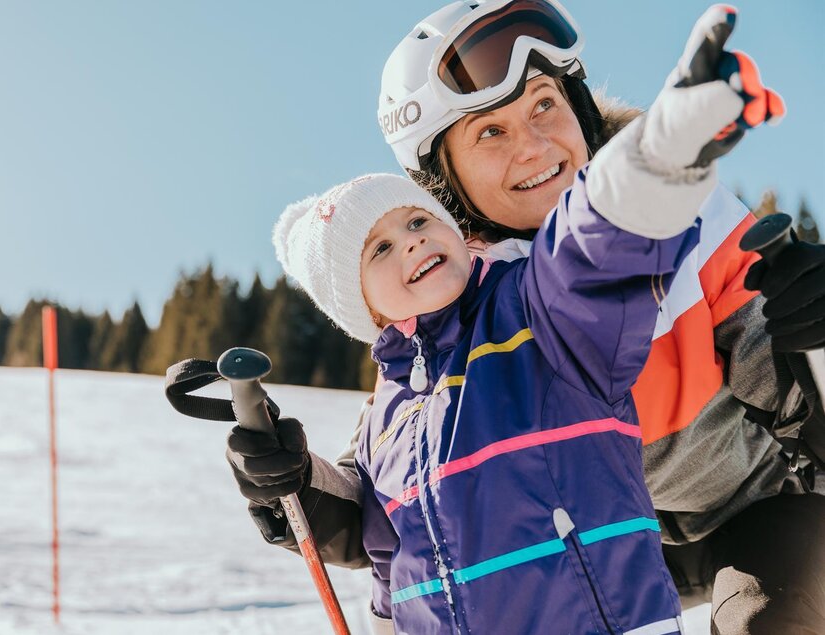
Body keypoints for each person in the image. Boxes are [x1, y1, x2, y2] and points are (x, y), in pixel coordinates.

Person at [227, 2, 825, 633]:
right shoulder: (449, 299)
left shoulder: (679, 212)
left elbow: (803, 409)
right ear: (442, 180)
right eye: (490, 132)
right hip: (596, 548)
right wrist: (289, 485)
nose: (535, 146)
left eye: (544, 104)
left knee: (771, 615)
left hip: (753, 512)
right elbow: (391, 491)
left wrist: (811, 337)